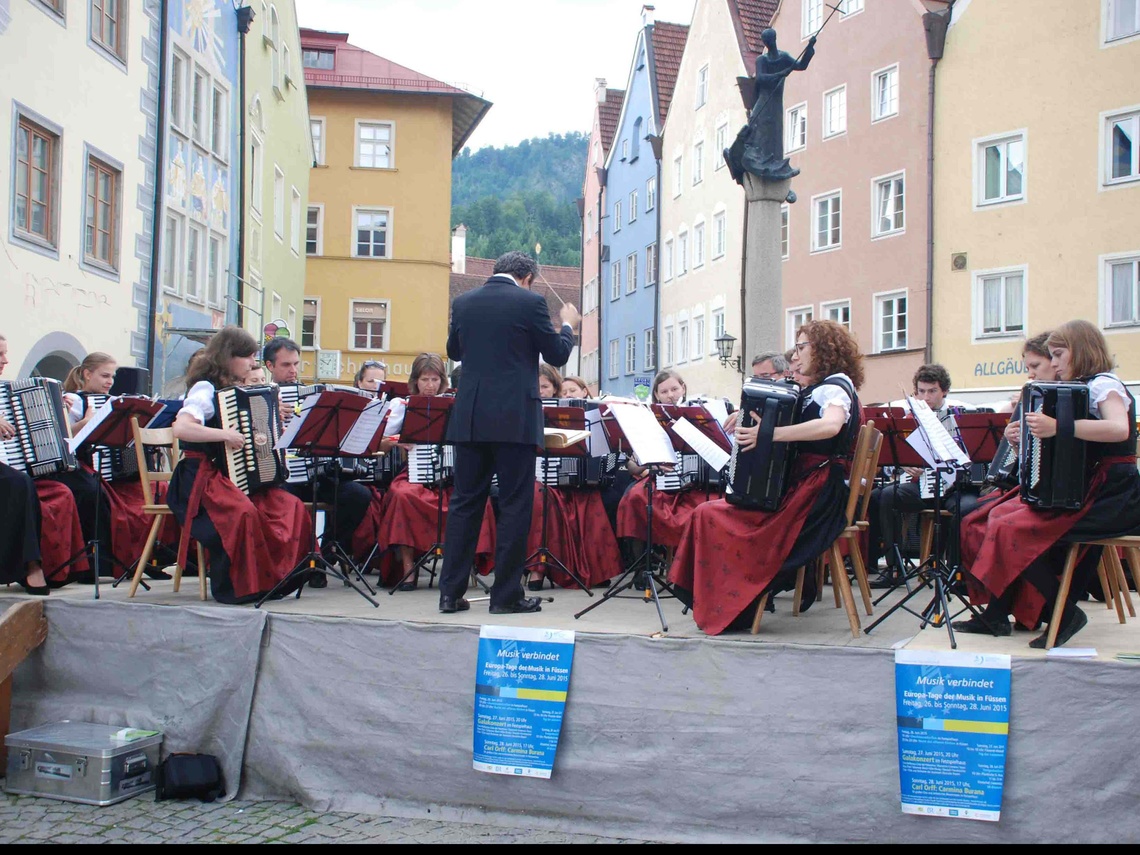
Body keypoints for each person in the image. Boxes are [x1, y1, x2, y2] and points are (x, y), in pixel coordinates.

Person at [669, 319, 864, 636]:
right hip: (810, 489)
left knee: (709, 514)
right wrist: (754, 416)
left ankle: (735, 604)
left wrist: (769, 433)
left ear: (824, 349)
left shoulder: (833, 387)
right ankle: (734, 603)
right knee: (711, 512)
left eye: (801, 347)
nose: (795, 356)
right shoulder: (828, 386)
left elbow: (830, 426)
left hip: (815, 497)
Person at [954, 320, 1140, 648]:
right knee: (995, 519)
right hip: (1092, 487)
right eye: (1050, 356)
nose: (1054, 363)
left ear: (1081, 350)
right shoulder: (1085, 386)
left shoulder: (1103, 385)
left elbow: (1118, 429)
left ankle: (1062, 612)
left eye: (1058, 354)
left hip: (1112, 494)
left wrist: (1058, 426)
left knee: (1009, 526)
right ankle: (1007, 610)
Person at [436, 250, 578, 614]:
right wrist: (568, 325)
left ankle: (450, 594)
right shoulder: (530, 302)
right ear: (528, 277)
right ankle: (505, 596)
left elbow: (454, 350)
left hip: (470, 418)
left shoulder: (464, 301)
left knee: (465, 504)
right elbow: (557, 355)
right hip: (514, 418)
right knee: (515, 505)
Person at [168, 325, 313, 604]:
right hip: (200, 476)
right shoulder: (204, 388)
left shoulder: (235, 388)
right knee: (243, 513)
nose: (252, 363)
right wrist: (225, 435)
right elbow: (182, 429)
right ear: (228, 356)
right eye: (247, 357)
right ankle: (238, 587)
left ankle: (276, 579)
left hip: (229, 474)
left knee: (288, 506)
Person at [376, 353, 496, 591]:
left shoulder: (456, 404)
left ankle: (463, 566)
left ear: (442, 381)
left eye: (434, 379)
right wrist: (396, 440)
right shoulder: (402, 405)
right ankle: (408, 568)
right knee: (401, 495)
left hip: (452, 474)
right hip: (415, 472)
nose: (430, 386)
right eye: (424, 379)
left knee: (478, 499)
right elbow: (378, 442)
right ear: (415, 381)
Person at [266, 339, 376, 587]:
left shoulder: (310, 395)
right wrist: (272, 414)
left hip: (317, 473)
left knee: (358, 496)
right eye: (286, 365)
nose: (293, 370)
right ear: (270, 366)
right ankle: (301, 561)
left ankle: (324, 554)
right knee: (284, 502)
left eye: (296, 364)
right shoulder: (262, 396)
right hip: (284, 477)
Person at [865, 364, 982, 588]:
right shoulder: (910, 419)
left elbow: (974, 460)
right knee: (888, 495)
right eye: (921, 391)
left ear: (945, 391)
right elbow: (892, 461)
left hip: (955, 487)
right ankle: (894, 567)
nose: (925, 397)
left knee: (968, 507)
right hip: (922, 485)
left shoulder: (961, 417)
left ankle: (958, 573)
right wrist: (904, 466)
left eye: (932, 391)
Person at [62, 351, 172, 581]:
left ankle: (144, 557)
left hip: (115, 473)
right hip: (87, 466)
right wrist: (85, 422)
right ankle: (114, 562)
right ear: (86, 374)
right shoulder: (74, 402)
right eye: (104, 376)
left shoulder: (114, 403)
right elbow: (65, 439)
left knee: (159, 490)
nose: (109, 382)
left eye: (112, 376)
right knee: (107, 500)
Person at [0, 333, 87, 594]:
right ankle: (31, 565)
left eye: (5, 353)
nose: (5, 360)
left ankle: (62, 567)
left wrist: (58, 411)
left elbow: (32, 434)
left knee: (64, 488)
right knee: (19, 483)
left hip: (10, 466)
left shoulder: (6, 390)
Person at [616, 370, 720, 577]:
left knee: (709, 505)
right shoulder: (649, 419)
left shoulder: (700, 415)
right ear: (656, 395)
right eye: (664, 391)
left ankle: (695, 571)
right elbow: (634, 467)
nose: (671, 395)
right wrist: (650, 462)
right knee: (635, 497)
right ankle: (641, 568)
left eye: (674, 389)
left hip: (696, 483)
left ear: (683, 388)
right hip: (661, 479)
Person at [724, 27, 816, 185]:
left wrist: (809, 48)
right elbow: (760, 79)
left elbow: (801, 65)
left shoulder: (784, 57)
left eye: (770, 40)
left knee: (774, 134)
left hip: (775, 103)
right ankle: (734, 156)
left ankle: (773, 164)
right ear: (765, 43)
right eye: (766, 41)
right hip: (764, 101)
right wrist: (780, 74)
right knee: (755, 131)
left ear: (774, 39)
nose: (769, 43)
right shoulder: (762, 60)